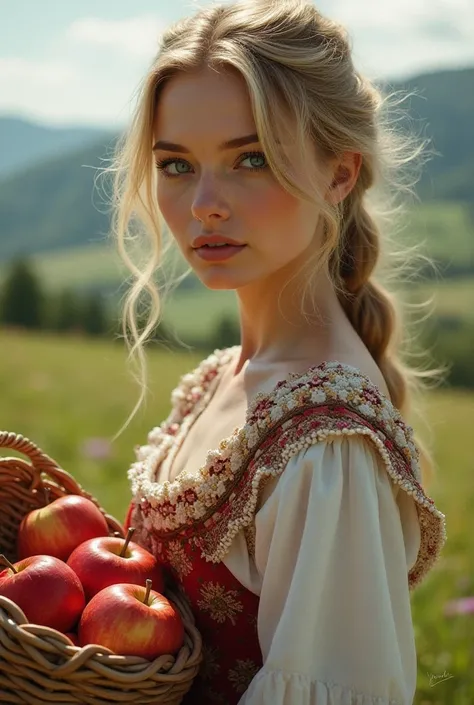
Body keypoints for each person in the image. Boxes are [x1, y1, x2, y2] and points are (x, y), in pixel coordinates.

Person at [113, 0, 447, 702]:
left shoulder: (327, 443)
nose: (205, 202)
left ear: (339, 173)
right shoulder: (226, 379)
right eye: (176, 164)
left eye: (251, 158)